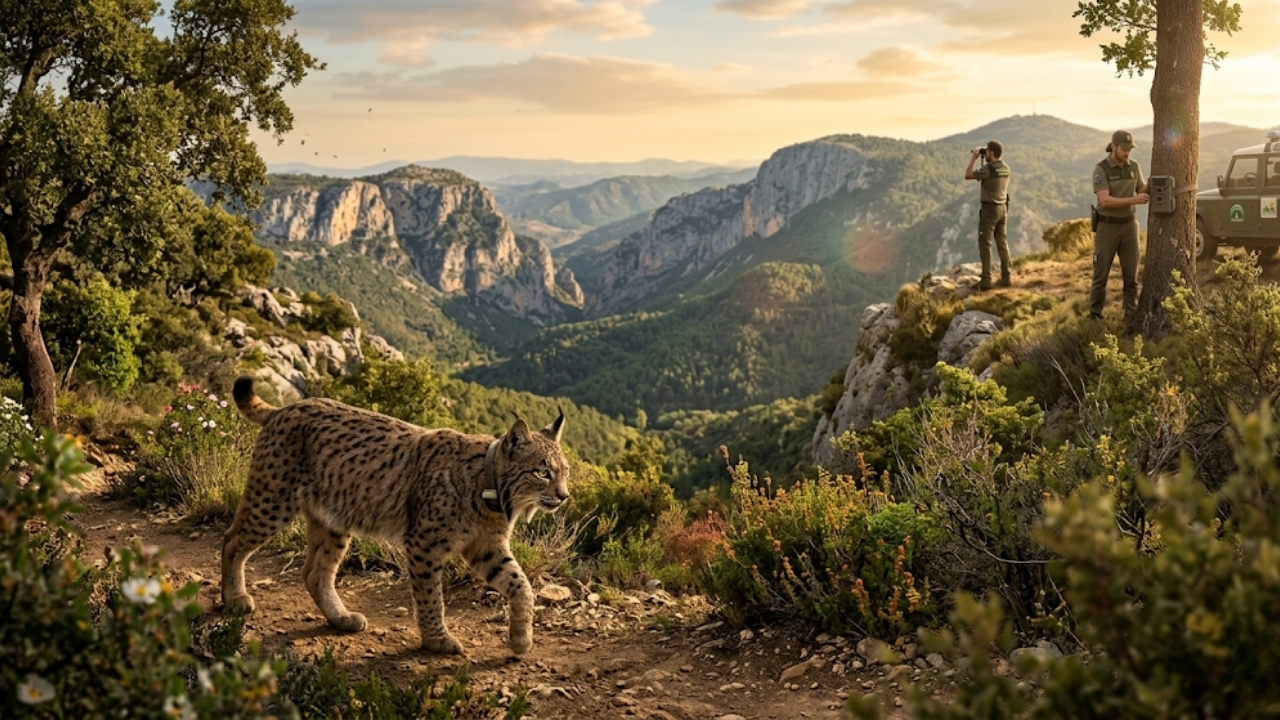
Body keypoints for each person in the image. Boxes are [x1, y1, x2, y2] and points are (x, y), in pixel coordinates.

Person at [1090, 130, 1149, 322]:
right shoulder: (1101, 169)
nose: (1126, 153)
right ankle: (1095, 316)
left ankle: (1130, 316)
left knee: (1131, 276)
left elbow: (1142, 189)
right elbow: (1105, 201)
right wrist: (1135, 199)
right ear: (1113, 146)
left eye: (1129, 149)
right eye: (1123, 149)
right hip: (1107, 227)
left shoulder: (1134, 166)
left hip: (1129, 226)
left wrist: (1155, 181)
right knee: (1101, 275)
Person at [964, 140, 1011, 291]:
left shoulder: (988, 169)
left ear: (990, 153)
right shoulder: (1006, 168)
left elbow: (968, 175)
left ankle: (986, 280)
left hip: (989, 209)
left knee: (985, 244)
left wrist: (975, 157)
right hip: (1003, 208)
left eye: (987, 152)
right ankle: (1006, 277)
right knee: (1002, 244)